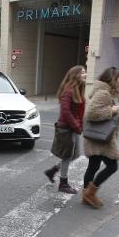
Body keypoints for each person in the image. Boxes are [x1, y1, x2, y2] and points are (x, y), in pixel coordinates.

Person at [82, 67, 119, 209]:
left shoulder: (107, 92)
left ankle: (86, 194)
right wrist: (111, 110)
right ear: (112, 79)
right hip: (101, 138)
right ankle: (90, 194)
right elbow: (91, 113)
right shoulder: (104, 93)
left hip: (98, 136)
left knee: (93, 166)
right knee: (112, 166)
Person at [45, 65, 86, 194]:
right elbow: (66, 112)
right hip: (67, 129)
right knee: (68, 156)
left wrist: (80, 125)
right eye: (83, 72)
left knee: (75, 155)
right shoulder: (68, 91)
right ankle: (63, 183)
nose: (86, 74)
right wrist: (76, 126)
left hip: (73, 128)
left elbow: (78, 111)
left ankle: (53, 170)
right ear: (76, 75)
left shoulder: (78, 89)